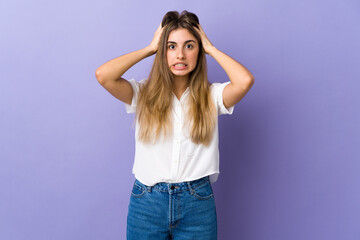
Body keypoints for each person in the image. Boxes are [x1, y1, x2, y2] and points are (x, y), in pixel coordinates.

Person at [95, 10, 254, 240]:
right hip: (147, 204)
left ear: (199, 51)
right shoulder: (143, 94)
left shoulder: (212, 96)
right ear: (163, 51)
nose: (180, 55)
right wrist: (149, 49)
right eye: (171, 46)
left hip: (197, 204)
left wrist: (211, 48)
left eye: (189, 46)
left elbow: (245, 81)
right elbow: (104, 75)